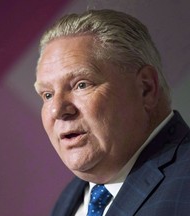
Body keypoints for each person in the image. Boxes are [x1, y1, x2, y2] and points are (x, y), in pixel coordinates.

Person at [34, 9, 190, 216]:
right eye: (47, 95)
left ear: (146, 89)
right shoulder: (69, 199)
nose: (57, 109)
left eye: (81, 85)